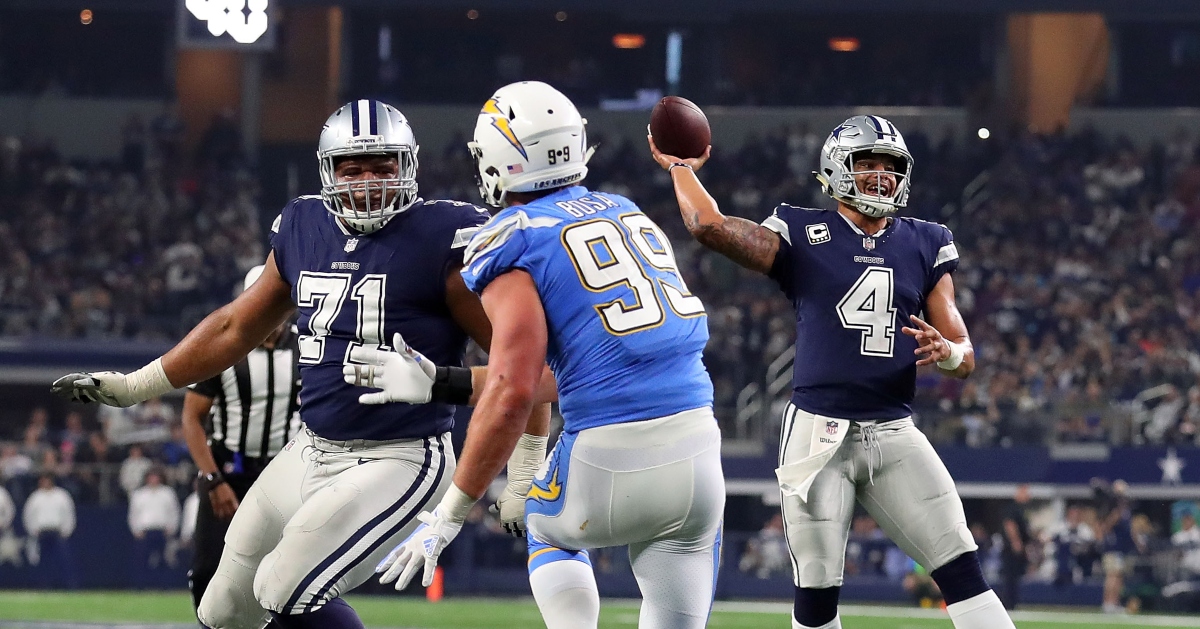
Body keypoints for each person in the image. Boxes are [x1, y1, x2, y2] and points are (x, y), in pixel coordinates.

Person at [51, 98, 549, 629]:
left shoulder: (446, 239)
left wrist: (525, 468)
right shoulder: (302, 223)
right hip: (309, 447)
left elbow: (525, 369)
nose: (366, 182)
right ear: (326, 170)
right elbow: (235, 326)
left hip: (399, 456)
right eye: (350, 167)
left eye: (382, 165)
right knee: (222, 610)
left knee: (284, 587)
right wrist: (137, 386)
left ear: (409, 166)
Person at [352, 81, 723, 629]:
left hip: (608, 452)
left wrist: (448, 516)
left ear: (502, 158)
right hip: (698, 452)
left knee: (545, 528)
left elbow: (516, 387)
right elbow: (578, 370)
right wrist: (444, 383)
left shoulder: (509, 236)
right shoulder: (624, 210)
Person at [649, 115, 1015, 629]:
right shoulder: (802, 231)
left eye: (890, 166)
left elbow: (965, 354)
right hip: (818, 435)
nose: (881, 176)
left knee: (964, 570)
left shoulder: (926, 240)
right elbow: (708, 226)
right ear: (837, 168)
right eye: (866, 164)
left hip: (892, 429)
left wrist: (948, 351)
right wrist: (682, 168)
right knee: (818, 596)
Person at [181, 265, 302, 615]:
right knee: (208, 570)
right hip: (227, 473)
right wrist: (212, 478)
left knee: (284, 574)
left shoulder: (306, 346)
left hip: (281, 475)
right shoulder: (225, 348)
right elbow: (191, 418)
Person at [128, 467, 182, 588]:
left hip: (162, 531)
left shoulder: (168, 493)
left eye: (156, 476)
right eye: (151, 476)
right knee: (142, 561)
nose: (153, 479)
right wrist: (136, 530)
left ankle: (163, 586)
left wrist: (172, 528)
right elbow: (133, 514)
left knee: (163, 560)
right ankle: (142, 586)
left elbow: (174, 512)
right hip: (145, 531)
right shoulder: (139, 494)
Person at [22, 473, 77, 589]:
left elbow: (69, 513)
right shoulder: (35, 497)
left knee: (64, 560)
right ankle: (43, 585)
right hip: (42, 533)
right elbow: (27, 515)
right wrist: (32, 530)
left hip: (57, 533)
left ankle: (68, 585)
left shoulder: (62, 496)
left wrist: (67, 530)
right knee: (42, 562)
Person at [999, 484, 1032, 608]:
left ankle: (1012, 602)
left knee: (1016, 577)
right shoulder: (1013, 508)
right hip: (1011, 550)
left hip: (1018, 549)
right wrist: (1016, 542)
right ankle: (1008, 603)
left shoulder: (1023, 509)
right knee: (1010, 578)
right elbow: (1010, 524)